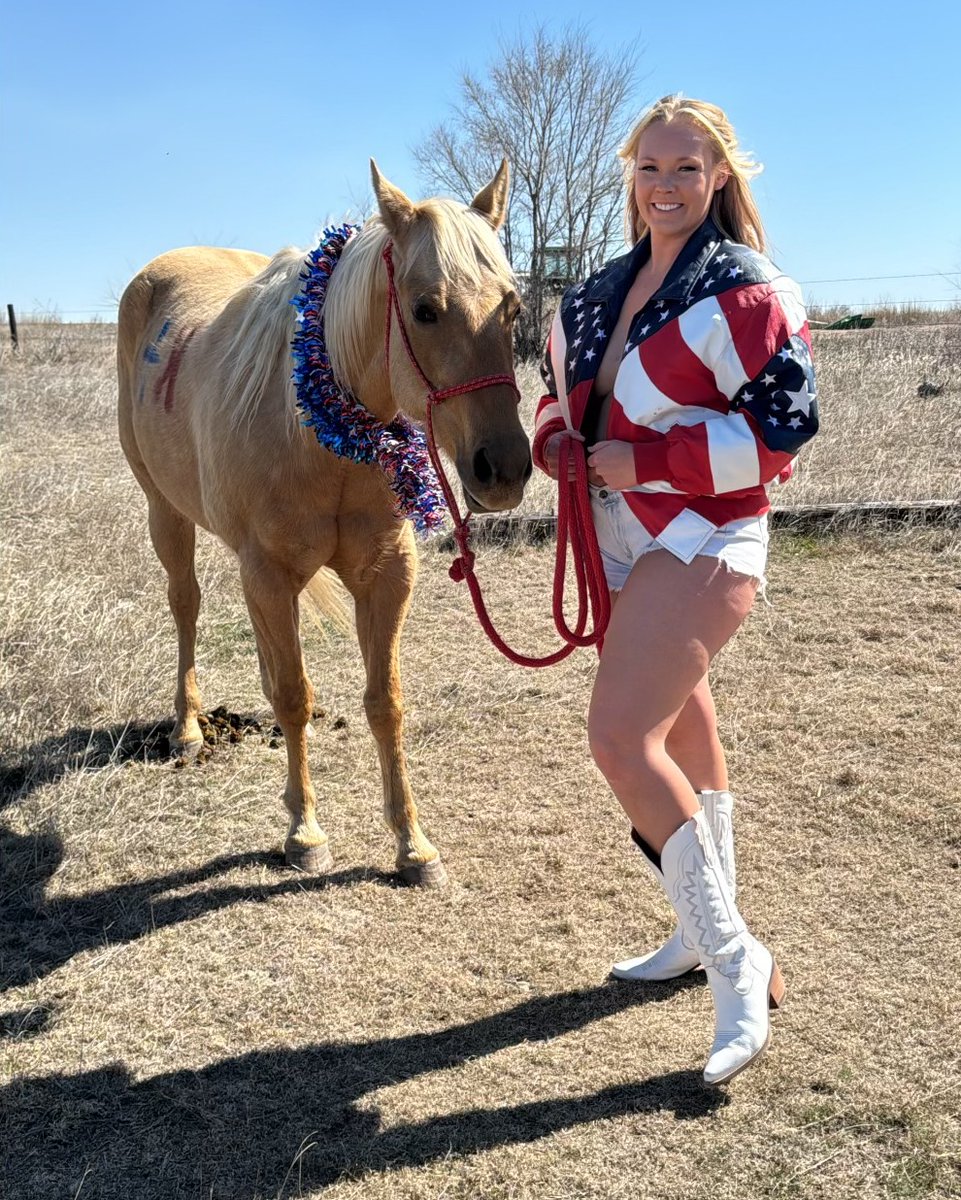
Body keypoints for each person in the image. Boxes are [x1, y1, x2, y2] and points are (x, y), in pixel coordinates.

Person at [532, 95, 818, 1086]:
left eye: (686, 169)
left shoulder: (747, 290)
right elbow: (555, 394)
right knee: (680, 723)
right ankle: (701, 934)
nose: (665, 186)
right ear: (630, 176)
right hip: (616, 543)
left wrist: (641, 458)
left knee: (619, 738)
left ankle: (735, 962)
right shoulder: (594, 292)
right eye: (650, 168)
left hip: (705, 535)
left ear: (721, 176)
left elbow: (781, 435)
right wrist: (551, 437)